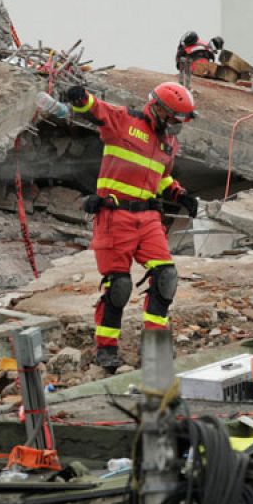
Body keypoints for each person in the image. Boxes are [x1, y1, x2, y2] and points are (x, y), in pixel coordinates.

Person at [62, 81, 200, 370]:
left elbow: (159, 175)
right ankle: (107, 349)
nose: (177, 127)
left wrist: (179, 193)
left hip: (148, 217)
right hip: (116, 216)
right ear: (159, 109)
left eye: (181, 122)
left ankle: (155, 349)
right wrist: (80, 97)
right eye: (175, 119)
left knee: (166, 278)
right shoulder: (125, 121)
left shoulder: (168, 142)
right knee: (119, 286)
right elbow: (96, 109)